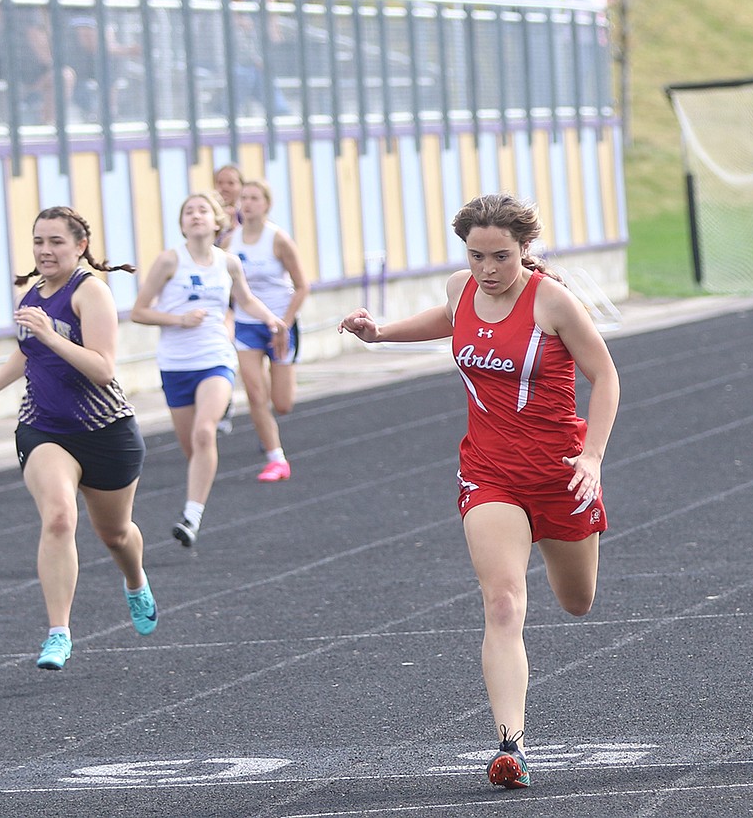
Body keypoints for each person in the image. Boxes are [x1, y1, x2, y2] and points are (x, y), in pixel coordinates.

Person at [339, 193, 620, 789]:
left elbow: (606, 375)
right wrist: (382, 332)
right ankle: (511, 745)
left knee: (577, 602)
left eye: (500, 257)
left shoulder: (553, 301)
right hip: (490, 472)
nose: (487, 270)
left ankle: (556, 536)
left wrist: (592, 457)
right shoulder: (459, 288)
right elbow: (449, 322)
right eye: (476, 256)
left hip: (560, 472)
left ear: (525, 251)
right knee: (503, 602)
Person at [0, 206, 158, 670]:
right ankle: (59, 633)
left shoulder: (90, 293)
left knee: (115, 534)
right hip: (44, 429)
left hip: (105, 431)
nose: (45, 250)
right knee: (57, 517)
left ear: (80, 247)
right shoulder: (34, 293)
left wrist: (52, 336)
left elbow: (103, 369)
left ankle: (134, 580)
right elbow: (27, 352)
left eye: (55, 241)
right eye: (38, 241)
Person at [130, 192, 287, 547]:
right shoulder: (169, 261)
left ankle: (191, 516)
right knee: (192, 448)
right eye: (188, 211)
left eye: (202, 210)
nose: (195, 216)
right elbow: (139, 311)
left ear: (217, 221)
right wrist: (178, 319)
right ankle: (197, 494)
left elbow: (244, 299)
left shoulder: (228, 263)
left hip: (215, 358)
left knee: (204, 433)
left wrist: (272, 319)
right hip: (175, 365)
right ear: (182, 224)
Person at [228, 178, 308, 482]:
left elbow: (302, 286)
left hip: (281, 324)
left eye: (254, 198)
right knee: (254, 393)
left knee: (282, 403)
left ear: (266, 204)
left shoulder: (278, 240)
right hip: (247, 325)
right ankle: (276, 458)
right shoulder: (230, 242)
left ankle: (273, 435)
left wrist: (285, 322)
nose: (247, 204)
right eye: (243, 198)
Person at [212, 163, 245, 434]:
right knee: (225, 339)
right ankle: (224, 398)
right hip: (222, 295)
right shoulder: (207, 217)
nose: (225, 188)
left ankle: (261, 406)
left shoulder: (250, 218)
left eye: (231, 183)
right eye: (220, 182)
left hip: (248, 293)